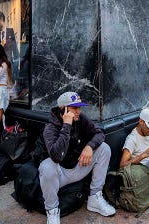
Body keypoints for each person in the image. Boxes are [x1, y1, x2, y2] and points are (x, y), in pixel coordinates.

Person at [38, 92, 115, 224]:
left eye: (79, 107)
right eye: (74, 108)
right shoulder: (50, 129)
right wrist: (66, 126)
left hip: (78, 167)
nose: (78, 111)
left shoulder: (81, 119)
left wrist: (89, 147)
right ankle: (52, 210)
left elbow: (99, 133)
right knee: (47, 166)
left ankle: (95, 198)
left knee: (104, 148)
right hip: (59, 176)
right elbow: (57, 156)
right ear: (63, 109)